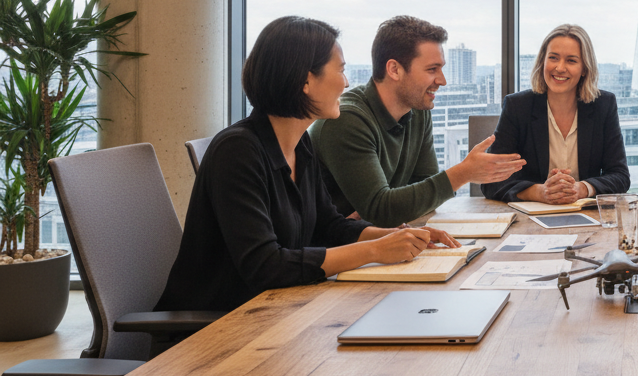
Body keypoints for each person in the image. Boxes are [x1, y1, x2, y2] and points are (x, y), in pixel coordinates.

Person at [156, 16, 462, 313]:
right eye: (340, 71)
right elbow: (266, 266)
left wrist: (396, 237)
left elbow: (330, 226)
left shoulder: (300, 144)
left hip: (278, 312)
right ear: (305, 80)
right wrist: (374, 250)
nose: (345, 83)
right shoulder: (237, 151)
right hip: (213, 332)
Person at [310, 16, 524, 227]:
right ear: (394, 69)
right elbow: (382, 210)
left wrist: (396, 204)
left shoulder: (418, 111)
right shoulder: (346, 120)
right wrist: (463, 173)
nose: (442, 80)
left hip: (384, 240)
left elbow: (425, 190)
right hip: (339, 251)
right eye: (432, 69)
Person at [483, 24, 630, 203]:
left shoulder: (603, 105)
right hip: (530, 218)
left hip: (586, 218)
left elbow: (620, 176)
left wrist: (581, 188)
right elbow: (491, 180)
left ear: (585, 68)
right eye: (553, 58)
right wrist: (540, 192)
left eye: (571, 60)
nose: (560, 68)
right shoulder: (518, 106)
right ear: (542, 62)